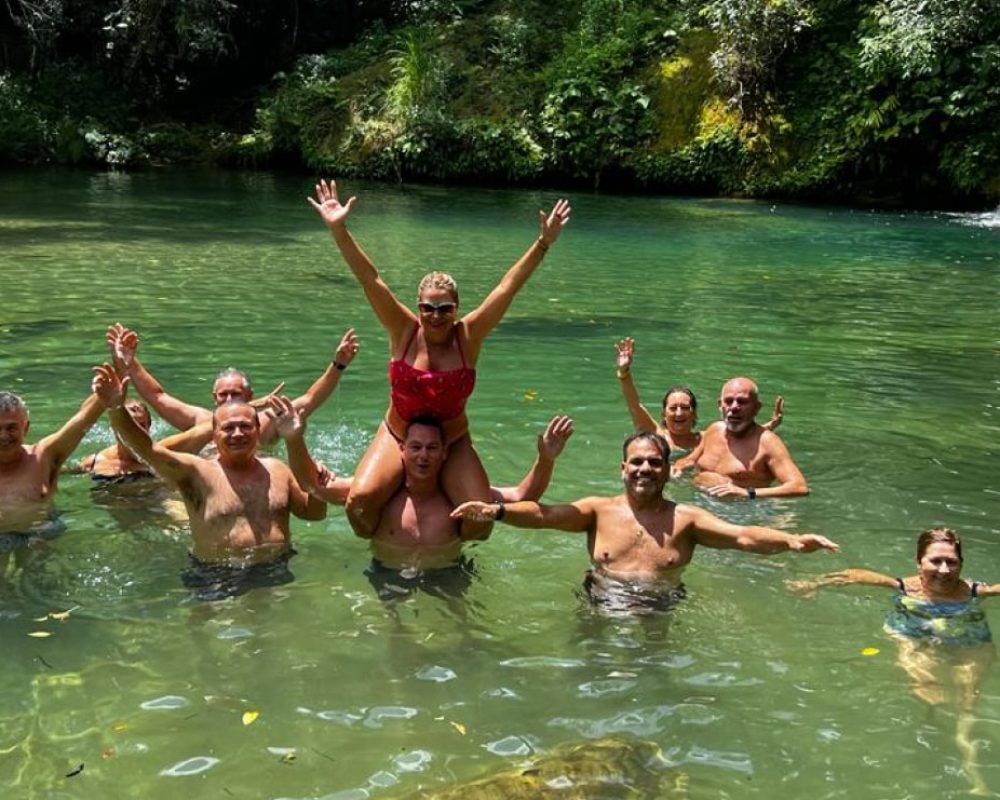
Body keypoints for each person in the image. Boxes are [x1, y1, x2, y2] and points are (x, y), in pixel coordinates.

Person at [308, 178, 571, 540]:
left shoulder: (468, 336)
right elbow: (370, 279)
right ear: (418, 308)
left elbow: (506, 288)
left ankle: (448, 555)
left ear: (456, 308)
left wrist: (543, 243)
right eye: (427, 308)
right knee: (359, 504)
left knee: (479, 521)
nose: (435, 316)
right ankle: (387, 549)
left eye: (444, 308)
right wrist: (339, 230)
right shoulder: (403, 329)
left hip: (451, 438)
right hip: (399, 433)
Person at [451, 431, 836, 615]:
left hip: (661, 604)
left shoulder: (687, 520)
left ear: (667, 470)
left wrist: (792, 541)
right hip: (599, 597)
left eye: (654, 462)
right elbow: (545, 515)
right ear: (623, 468)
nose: (645, 469)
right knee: (591, 665)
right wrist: (496, 511)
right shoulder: (598, 510)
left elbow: (743, 536)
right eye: (637, 462)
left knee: (654, 671)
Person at [269, 393, 574, 600]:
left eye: (431, 448)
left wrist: (546, 458)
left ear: (444, 453)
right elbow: (312, 486)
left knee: (462, 639)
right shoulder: (380, 495)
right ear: (402, 450)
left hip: (450, 571)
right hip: (387, 571)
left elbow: (523, 496)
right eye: (415, 447)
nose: (423, 456)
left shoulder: (459, 498)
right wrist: (295, 439)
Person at [788, 527, 996, 795]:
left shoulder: (974, 591)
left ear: (961, 564)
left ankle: (975, 776)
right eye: (935, 561)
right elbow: (857, 575)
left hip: (968, 636)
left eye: (951, 562)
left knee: (968, 703)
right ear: (918, 563)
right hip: (913, 634)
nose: (944, 570)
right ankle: (932, 732)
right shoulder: (906, 586)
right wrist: (814, 583)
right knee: (929, 690)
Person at [91, 364, 326, 600]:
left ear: (258, 430)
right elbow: (147, 450)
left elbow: (313, 513)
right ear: (213, 434)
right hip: (215, 573)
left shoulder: (278, 470)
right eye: (228, 428)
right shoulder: (195, 472)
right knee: (209, 623)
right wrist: (116, 409)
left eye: (245, 426)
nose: (237, 434)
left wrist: (315, 482)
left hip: (276, 566)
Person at [105, 323, 358, 448]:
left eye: (235, 394)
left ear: (249, 395)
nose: (228, 400)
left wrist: (338, 365)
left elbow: (311, 398)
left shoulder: (269, 420)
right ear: (214, 397)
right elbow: (157, 397)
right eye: (222, 395)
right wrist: (130, 361)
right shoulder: (201, 420)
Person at [613, 337, 783, 455]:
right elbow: (634, 405)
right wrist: (624, 372)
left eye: (685, 408)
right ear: (664, 414)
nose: (679, 413)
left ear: (694, 413)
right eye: (673, 408)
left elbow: (739, 432)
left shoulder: (706, 438)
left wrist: (771, 425)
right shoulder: (656, 436)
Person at [0, 388, 105, 569]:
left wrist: (104, 396)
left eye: (11, 428)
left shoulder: (43, 456)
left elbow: (82, 421)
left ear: (26, 427)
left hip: (39, 533)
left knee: (37, 577)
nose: (3, 436)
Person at [672, 377, 807, 499]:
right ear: (720, 405)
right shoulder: (714, 429)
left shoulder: (768, 443)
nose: (734, 407)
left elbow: (799, 487)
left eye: (742, 402)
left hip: (742, 511)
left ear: (757, 407)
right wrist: (679, 466)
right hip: (700, 500)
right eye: (728, 401)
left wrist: (747, 493)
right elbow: (691, 459)